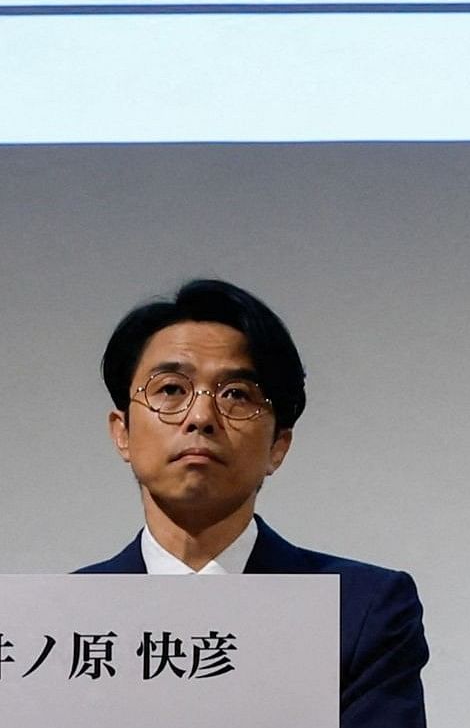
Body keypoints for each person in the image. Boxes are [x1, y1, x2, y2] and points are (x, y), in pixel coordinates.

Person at [76, 279, 428, 728]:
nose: (200, 417)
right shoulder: (58, 619)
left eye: (236, 395)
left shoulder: (359, 610)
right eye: (170, 390)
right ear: (122, 432)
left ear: (278, 446)